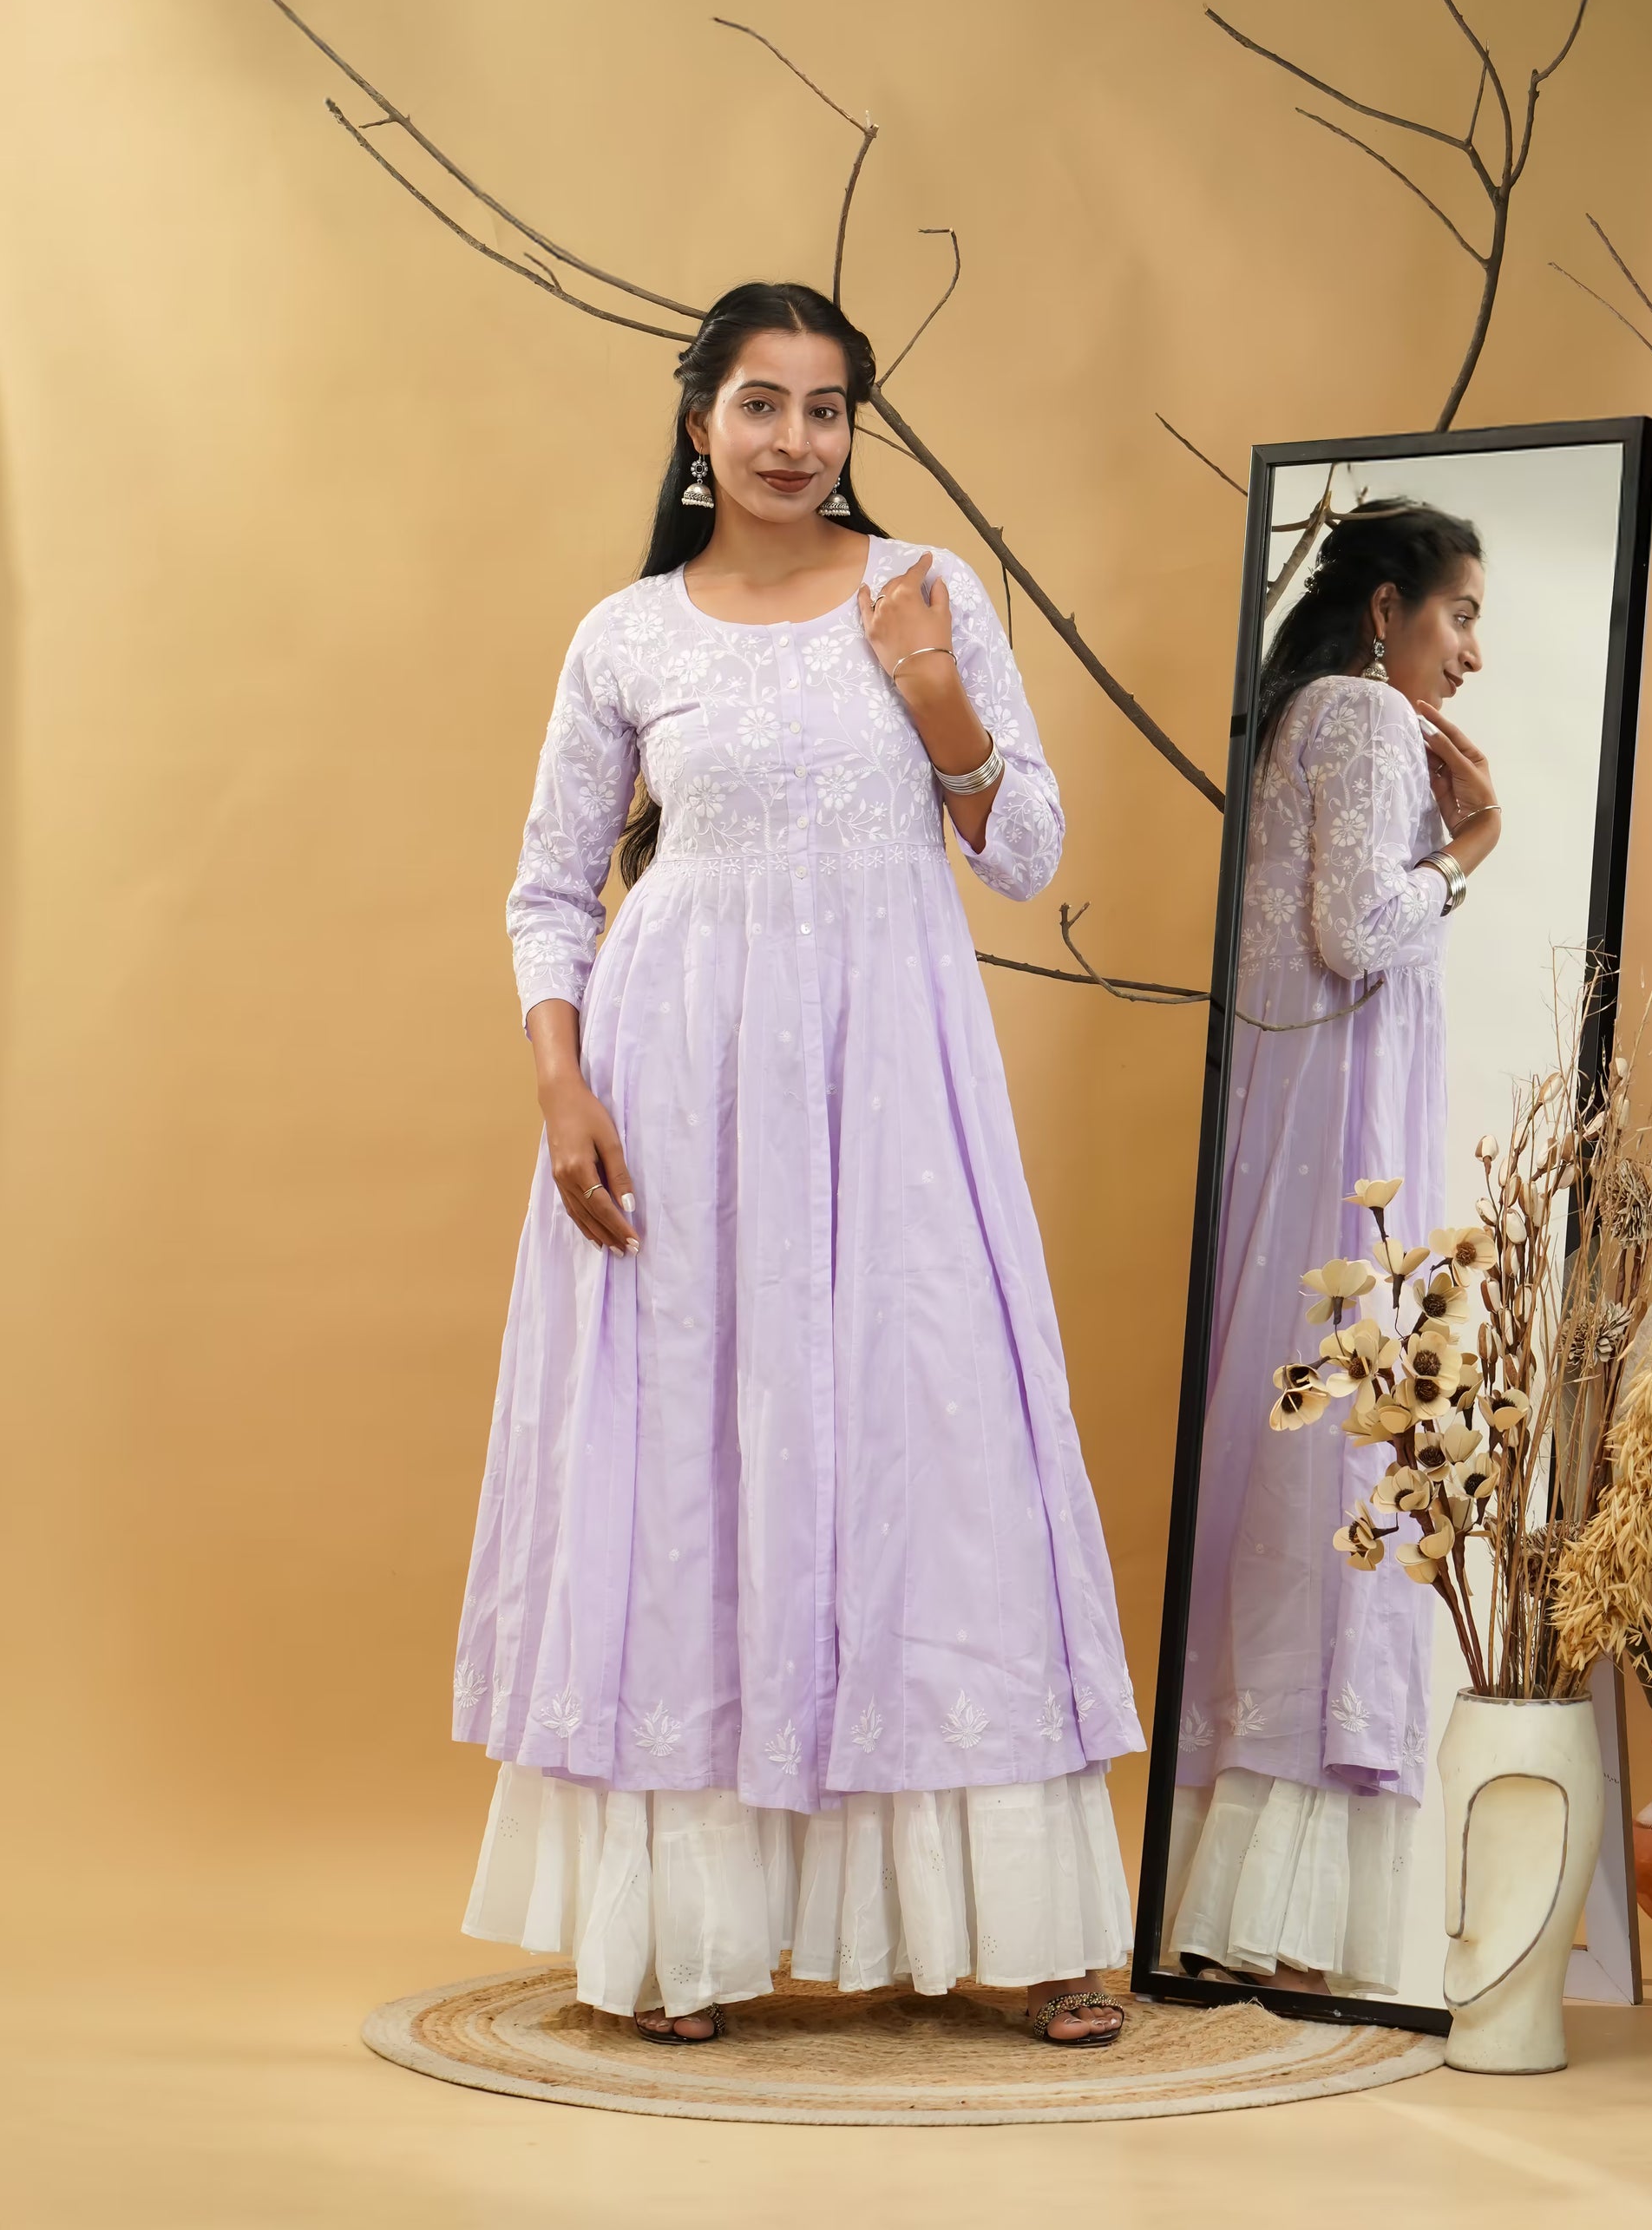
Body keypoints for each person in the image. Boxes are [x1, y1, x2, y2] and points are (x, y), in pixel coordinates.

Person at [452, 281, 1142, 2046]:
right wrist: (559, 1085)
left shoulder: (926, 592)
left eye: (825, 408)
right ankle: (688, 1935)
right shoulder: (625, 633)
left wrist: (932, 694)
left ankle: (1030, 1921)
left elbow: (1027, 851)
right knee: (695, 1455)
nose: (792, 438)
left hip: (891, 1078)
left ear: (852, 429)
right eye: (759, 403)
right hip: (671, 1080)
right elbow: (552, 886)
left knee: (935, 1438)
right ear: (698, 424)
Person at [1165, 502, 1501, 1994]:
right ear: (1384, 610)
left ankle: (1237, 1899)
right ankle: (1294, 1925)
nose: (1472, 653)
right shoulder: (1362, 714)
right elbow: (1362, 931)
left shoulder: (1305, 714)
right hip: (1339, 1155)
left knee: (1304, 1462)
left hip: (1301, 1134)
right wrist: (1476, 845)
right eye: (1457, 616)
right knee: (1338, 1465)